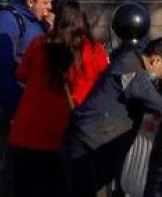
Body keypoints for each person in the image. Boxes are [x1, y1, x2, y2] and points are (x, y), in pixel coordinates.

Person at [7, 0, 107, 189]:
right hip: (67, 131)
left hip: (30, 129)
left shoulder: (39, 44)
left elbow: (22, 75)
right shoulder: (92, 50)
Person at [0, 0, 55, 197]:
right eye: (45, 3)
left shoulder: (37, 21)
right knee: (9, 162)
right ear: (31, 1)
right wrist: (16, 107)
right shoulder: (8, 20)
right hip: (7, 102)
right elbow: (2, 69)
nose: (49, 8)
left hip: (25, 102)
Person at [63, 37, 162, 193]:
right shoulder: (130, 70)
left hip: (92, 143)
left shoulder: (129, 63)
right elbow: (156, 103)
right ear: (156, 61)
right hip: (86, 145)